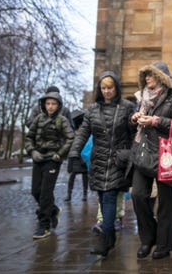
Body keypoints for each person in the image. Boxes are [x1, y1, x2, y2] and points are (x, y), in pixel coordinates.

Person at [68, 72, 134, 256]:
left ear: (116, 88)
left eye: (110, 88)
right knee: (103, 197)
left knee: (110, 198)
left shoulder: (128, 107)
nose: (106, 91)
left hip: (117, 160)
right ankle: (110, 235)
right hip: (98, 160)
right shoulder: (92, 110)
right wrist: (74, 151)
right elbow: (83, 133)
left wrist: (129, 153)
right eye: (103, 88)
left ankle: (105, 239)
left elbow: (135, 133)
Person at [130, 61, 172, 260]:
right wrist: (134, 118)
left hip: (165, 153)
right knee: (138, 196)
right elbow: (133, 125)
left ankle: (164, 244)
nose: (147, 78)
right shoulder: (141, 97)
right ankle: (148, 238)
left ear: (161, 76)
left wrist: (156, 121)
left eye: (150, 75)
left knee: (166, 204)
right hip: (143, 152)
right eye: (146, 76)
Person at [25, 90, 74, 239]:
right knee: (35, 191)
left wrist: (59, 154)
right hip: (38, 158)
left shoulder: (62, 120)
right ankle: (53, 210)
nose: (50, 106)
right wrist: (32, 151)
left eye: (53, 103)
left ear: (58, 105)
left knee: (46, 193)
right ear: (44, 104)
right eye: (48, 103)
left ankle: (44, 225)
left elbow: (70, 138)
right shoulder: (38, 119)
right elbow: (29, 138)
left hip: (53, 160)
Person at [65, 110, 88, 202]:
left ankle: (85, 194)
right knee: (72, 175)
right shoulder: (71, 130)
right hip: (74, 156)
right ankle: (69, 194)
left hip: (82, 155)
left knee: (85, 175)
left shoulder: (84, 129)